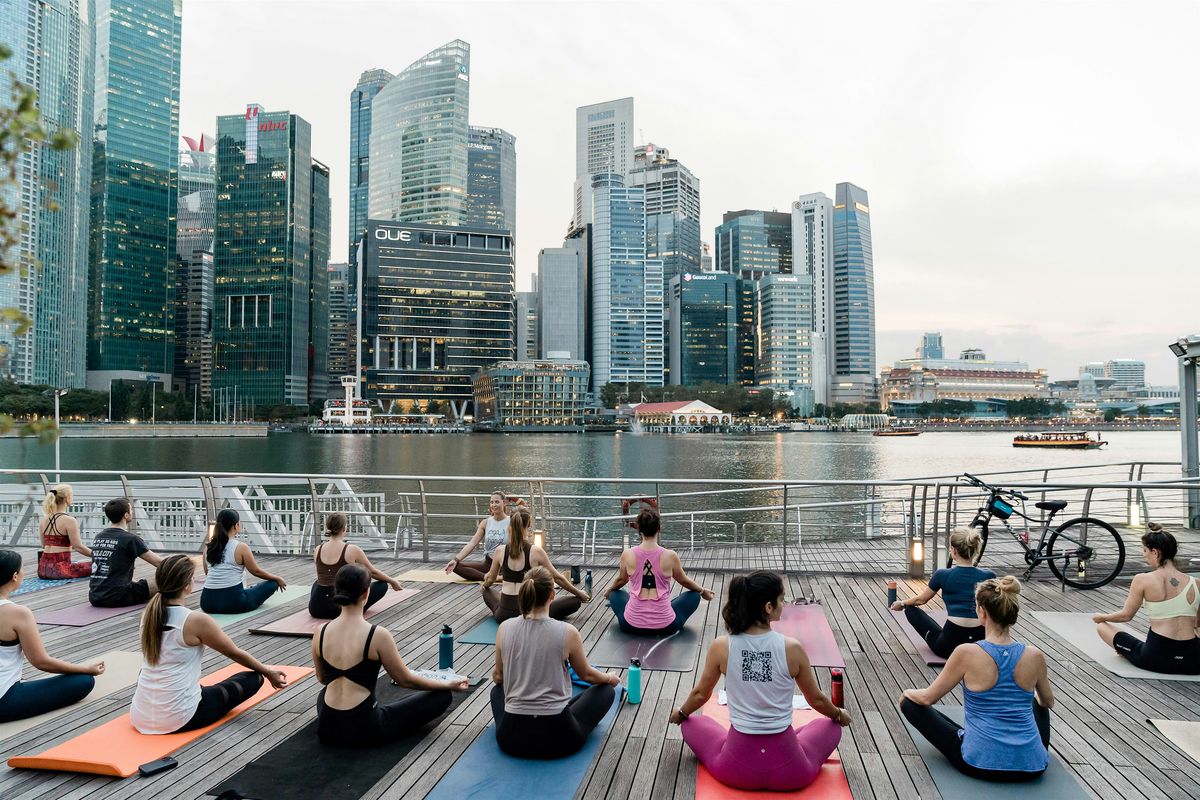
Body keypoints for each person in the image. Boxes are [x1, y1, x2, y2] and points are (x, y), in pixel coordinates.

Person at [669, 571, 849, 792]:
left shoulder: (721, 646)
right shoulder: (792, 648)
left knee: (691, 723)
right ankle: (795, 738)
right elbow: (816, 699)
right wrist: (839, 715)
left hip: (735, 769)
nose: (784, 604)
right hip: (791, 772)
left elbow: (700, 694)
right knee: (829, 726)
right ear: (768, 607)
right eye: (781, 600)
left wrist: (681, 713)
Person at [900, 576, 1053, 782]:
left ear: (981, 612)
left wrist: (906, 694)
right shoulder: (1034, 655)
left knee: (909, 704)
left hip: (978, 763)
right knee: (1039, 701)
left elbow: (927, 699)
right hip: (1032, 765)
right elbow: (1047, 702)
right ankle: (1023, 748)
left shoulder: (966, 653)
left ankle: (977, 740)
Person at [312, 563, 467, 746]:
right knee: (442, 696)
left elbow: (323, 678)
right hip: (366, 728)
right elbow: (405, 680)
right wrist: (446, 683)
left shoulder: (320, 632)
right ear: (365, 593)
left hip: (327, 728)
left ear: (336, 590)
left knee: (327, 691)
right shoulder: (377, 635)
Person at [131, 554, 287, 734]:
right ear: (188, 585)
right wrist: (268, 672)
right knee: (253, 678)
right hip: (180, 717)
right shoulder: (195, 620)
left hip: (140, 715)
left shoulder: (148, 615)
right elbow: (234, 653)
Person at [491, 566, 619, 759]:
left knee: (496, 691)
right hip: (559, 739)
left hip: (511, 738)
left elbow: (498, 677)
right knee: (606, 691)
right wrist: (609, 678)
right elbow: (587, 675)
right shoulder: (567, 632)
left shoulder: (504, 628)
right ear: (551, 595)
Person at [0, 550, 103, 722]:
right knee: (84, 681)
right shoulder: (18, 614)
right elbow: (41, 661)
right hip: (4, 700)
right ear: (15, 576)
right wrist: (85, 669)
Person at [1092, 523, 1200, 675]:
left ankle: (1127, 651)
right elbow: (1198, 624)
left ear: (1155, 552)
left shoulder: (1142, 579)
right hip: (1194, 661)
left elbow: (1126, 616)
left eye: (1144, 550)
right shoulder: (1196, 583)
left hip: (1156, 659)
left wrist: (1101, 617)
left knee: (1102, 627)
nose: (1144, 555)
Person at [603, 508, 714, 636]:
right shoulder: (670, 556)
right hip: (666, 626)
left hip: (631, 625)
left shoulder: (627, 554)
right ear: (658, 529)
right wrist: (702, 591)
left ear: (639, 530)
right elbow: (684, 581)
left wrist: (609, 590)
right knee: (694, 595)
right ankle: (663, 607)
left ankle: (643, 610)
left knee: (616, 593)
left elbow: (621, 580)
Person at [891, 528, 994, 658]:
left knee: (910, 609)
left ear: (954, 551)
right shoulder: (989, 575)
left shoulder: (943, 575)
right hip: (980, 646)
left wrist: (902, 603)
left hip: (948, 648)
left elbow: (920, 600)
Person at [482, 507, 586, 621]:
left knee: (486, 590)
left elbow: (490, 581)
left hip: (504, 614)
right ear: (529, 523)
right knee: (575, 601)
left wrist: (485, 585)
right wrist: (579, 593)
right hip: (530, 612)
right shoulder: (536, 552)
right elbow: (557, 578)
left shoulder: (500, 551)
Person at [309, 512, 403, 620]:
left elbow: (320, 577)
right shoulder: (352, 549)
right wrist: (392, 581)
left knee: (318, 582)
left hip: (316, 608)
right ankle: (356, 608)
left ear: (328, 527)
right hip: (340, 609)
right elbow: (372, 572)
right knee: (382, 585)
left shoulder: (318, 549)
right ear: (344, 528)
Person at [199, 509, 287, 614]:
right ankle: (250, 590)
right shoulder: (240, 547)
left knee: (244, 583)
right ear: (236, 525)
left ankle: (248, 590)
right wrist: (277, 578)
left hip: (207, 603)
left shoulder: (208, 548)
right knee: (273, 584)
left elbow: (207, 573)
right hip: (234, 603)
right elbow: (256, 571)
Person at [89, 498, 163, 608]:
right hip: (119, 596)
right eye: (131, 510)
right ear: (126, 515)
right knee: (168, 580)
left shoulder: (99, 537)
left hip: (95, 596)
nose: (132, 512)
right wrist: (183, 567)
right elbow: (159, 563)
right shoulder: (130, 539)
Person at [444, 491, 511, 581]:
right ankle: (489, 577)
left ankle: (495, 576)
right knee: (455, 566)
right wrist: (455, 559)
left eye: (497, 502)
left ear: (504, 503)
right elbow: (472, 543)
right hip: (489, 564)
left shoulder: (512, 521)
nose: (494, 505)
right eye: (492, 502)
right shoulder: (485, 523)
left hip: (505, 564)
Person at [37, 484, 92, 579]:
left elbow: (43, 545)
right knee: (99, 565)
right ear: (68, 498)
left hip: (42, 569)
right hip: (60, 570)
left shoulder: (44, 519)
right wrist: (98, 556)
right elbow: (78, 547)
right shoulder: (69, 520)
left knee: (80, 563)